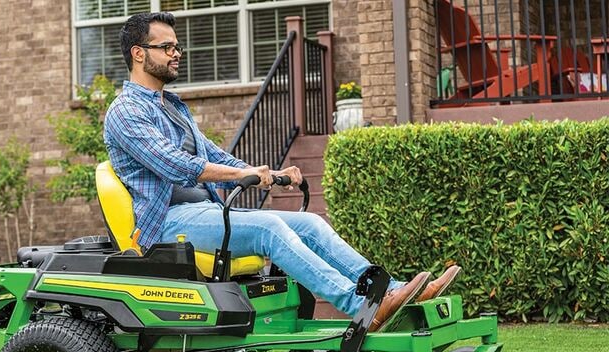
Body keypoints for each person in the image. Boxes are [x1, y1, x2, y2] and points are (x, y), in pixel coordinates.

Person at [103, 12, 461, 331]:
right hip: (167, 223)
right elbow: (174, 165)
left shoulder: (173, 107)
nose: (176, 53)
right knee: (268, 227)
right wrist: (242, 177)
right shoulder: (126, 111)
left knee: (310, 224)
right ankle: (361, 307)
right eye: (167, 47)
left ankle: (393, 291)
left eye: (177, 46)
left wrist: (270, 173)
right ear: (139, 53)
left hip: (205, 213)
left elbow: (214, 154)